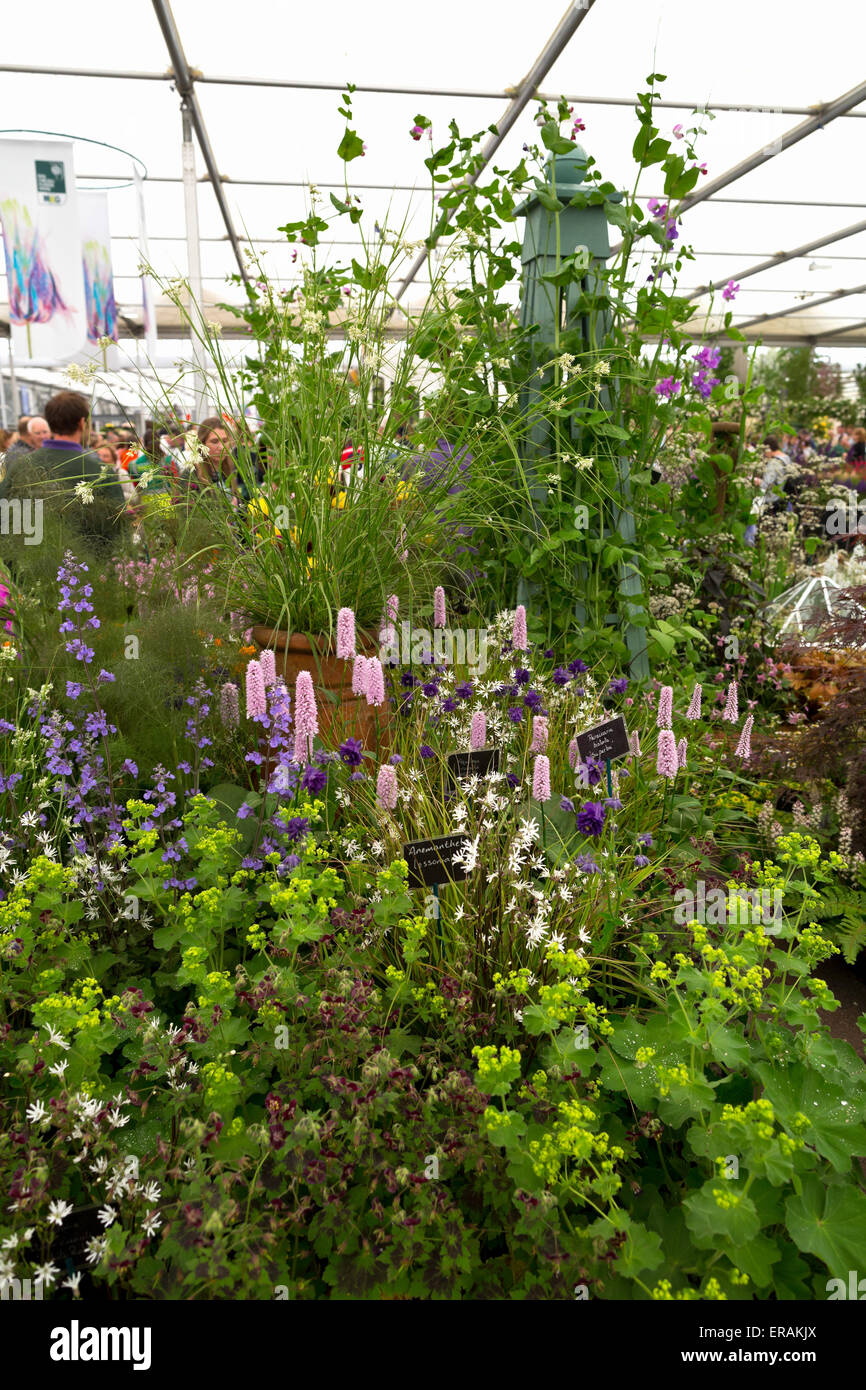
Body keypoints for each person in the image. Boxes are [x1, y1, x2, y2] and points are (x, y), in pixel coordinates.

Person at [0, 389, 127, 550]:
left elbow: (5, 519)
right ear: (82, 423)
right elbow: (118, 532)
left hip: (31, 567)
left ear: (50, 423)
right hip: (86, 569)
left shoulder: (18, 466)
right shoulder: (100, 472)